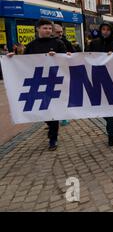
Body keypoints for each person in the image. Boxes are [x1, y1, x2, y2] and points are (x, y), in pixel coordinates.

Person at [7, 19, 69, 151]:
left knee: (53, 110)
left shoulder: (58, 43)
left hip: (54, 81)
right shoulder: (31, 46)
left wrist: (58, 56)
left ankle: (53, 138)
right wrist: (12, 59)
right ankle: (51, 130)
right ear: (38, 29)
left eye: (49, 28)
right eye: (45, 28)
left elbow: (66, 60)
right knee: (43, 110)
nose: (47, 30)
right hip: (38, 82)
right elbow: (24, 63)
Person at [86, 22, 113, 146]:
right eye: (103, 29)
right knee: (100, 108)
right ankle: (109, 127)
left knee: (111, 110)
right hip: (96, 79)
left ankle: (111, 135)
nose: (105, 31)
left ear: (111, 31)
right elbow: (84, 58)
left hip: (112, 81)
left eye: (108, 29)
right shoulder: (93, 44)